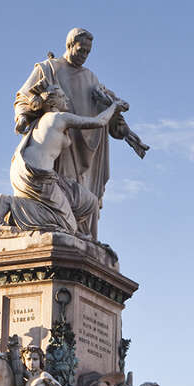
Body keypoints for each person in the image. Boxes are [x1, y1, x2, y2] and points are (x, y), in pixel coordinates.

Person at [13, 28, 148, 239]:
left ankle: (80, 238)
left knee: (82, 198)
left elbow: (109, 109)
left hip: (85, 147)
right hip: (59, 146)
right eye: (81, 49)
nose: (84, 55)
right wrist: (24, 114)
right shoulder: (49, 69)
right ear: (69, 45)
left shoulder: (91, 78)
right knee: (61, 195)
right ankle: (63, 232)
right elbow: (24, 96)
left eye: (88, 51)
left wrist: (127, 132)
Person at [0, 84, 127, 237]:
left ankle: (69, 230)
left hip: (35, 172)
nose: (67, 99)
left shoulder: (40, 121)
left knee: (89, 202)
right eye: (62, 96)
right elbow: (99, 122)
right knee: (68, 225)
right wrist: (114, 106)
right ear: (52, 103)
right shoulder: (59, 117)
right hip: (38, 176)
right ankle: (13, 206)